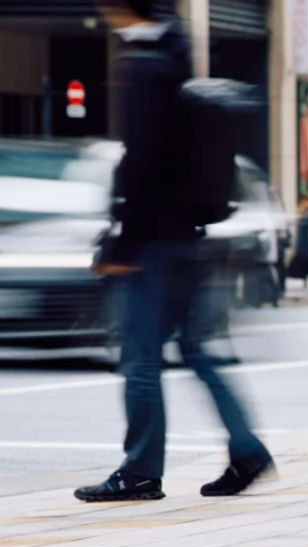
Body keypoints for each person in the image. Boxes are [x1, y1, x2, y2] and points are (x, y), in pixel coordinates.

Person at [76, 0, 273, 502]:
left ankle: (141, 470)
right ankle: (247, 449)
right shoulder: (177, 53)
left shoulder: (142, 66)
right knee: (197, 350)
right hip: (190, 234)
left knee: (140, 357)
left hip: (154, 239)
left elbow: (143, 158)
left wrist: (125, 239)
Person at [287, 193, 308, 288]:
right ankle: (303, 278)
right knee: (301, 259)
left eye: (305, 201)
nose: (304, 203)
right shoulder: (302, 211)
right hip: (302, 240)